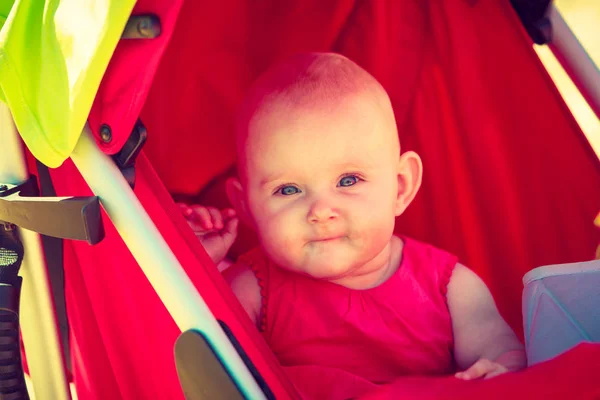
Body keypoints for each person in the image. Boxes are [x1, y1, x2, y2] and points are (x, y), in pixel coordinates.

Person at [179, 52, 526, 398]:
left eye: (348, 180)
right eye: (288, 189)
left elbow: (500, 349)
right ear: (247, 207)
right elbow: (192, 357)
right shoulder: (252, 288)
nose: (320, 210)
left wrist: (501, 369)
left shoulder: (450, 287)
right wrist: (196, 264)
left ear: (401, 187)